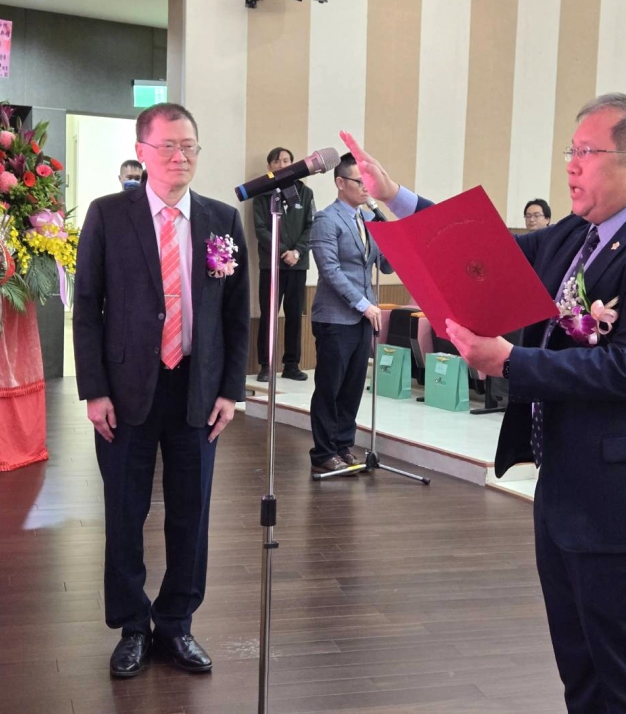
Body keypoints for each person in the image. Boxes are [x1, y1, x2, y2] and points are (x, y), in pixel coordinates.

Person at [342, 92, 626, 712]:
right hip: (569, 487)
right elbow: (488, 253)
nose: (571, 164)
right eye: (571, 150)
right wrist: (395, 196)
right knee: (581, 670)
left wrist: (510, 362)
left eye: (587, 152)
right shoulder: (580, 233)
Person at [74, 103, 250, 678]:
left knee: (191, 513)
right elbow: (87, 309)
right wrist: (94, 390)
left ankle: (176, 623)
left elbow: (235, 317)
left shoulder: (223, 220)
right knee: (126, 511)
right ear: (142, 152)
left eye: (189, 146)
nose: (180, 157)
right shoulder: (108, 214)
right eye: (168, 146)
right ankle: (131, 625)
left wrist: (231, 390)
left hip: (197, 388)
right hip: (126, 392)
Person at [308, 153, 393, 474]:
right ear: (341, 183)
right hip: (335, 318)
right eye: (360, 181)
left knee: (354, 386)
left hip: (363, 318)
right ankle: (323, 453)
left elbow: (386, 265)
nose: (366, 188)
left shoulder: (369, 219)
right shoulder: (326, 220)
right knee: (330, 387)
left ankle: (343, 446)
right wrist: (362, 303)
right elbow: (330, 270)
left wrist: (392, 236)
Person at [252, 146, 314, 382]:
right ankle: (266, 365)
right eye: (277, 161)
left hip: (298, 264)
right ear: (269, 167)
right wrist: (282, 251)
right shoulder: (262, 194)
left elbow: (311, 225)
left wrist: (297, 251)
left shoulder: (305, 193)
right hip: (271, 265)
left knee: (294, 315)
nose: (282, 165)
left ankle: (291, 365)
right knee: (269, 315)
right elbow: (261, 229)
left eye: (286, 160)